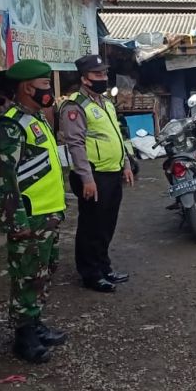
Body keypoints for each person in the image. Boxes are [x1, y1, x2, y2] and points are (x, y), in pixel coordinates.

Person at [0, 60, 67, 363]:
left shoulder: (35, 117)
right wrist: (15, 219)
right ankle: (24, 337)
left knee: (44, 272)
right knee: (27, 276)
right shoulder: (9, 125)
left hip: (47, 212)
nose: (49, 90)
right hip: (29, 215)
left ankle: (35, 323)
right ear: (27, 87)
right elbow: (6, 178)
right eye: (45, 85)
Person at [58, 54, 135, 293]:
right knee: (91, 226)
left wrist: (126, 164)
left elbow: (116, 136)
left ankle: (104, 266)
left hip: (111, 172)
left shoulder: (105, 103)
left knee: (107, 224)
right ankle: (90, 273)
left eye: (104, 74)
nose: (103, 78)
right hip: (92, 175)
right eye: (97, 75)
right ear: (84, 78)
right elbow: (76, 144)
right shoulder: (75, 106)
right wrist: (86, 178)